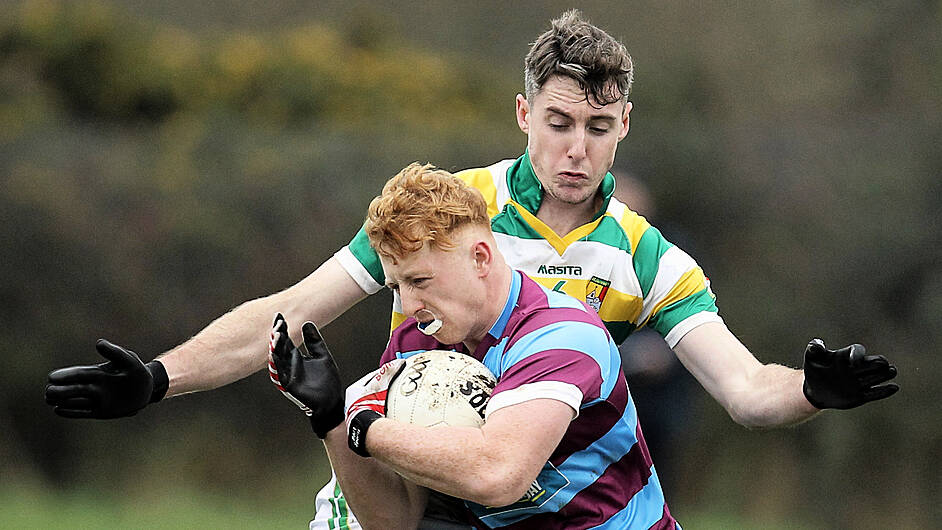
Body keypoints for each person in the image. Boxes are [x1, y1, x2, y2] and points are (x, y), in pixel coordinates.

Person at [45, 9, 898, 528]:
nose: (576, 148)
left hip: (535, 502)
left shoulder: (644, 254)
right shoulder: (448, 213)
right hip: (406, 483)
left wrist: (811, 390)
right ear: (524, 112)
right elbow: (291, 310)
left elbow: (746, 391)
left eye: (598, 129)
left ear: (626, 125)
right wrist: (159, 379)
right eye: (559, 122)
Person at [268, 162, 678, 528]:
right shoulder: (413, 345)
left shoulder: (563, 335)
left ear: (481, 258)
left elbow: (498, 475)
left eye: (420, 281)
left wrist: (364, 428)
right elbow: (394, 521)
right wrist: (332, 421)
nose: (408, 306)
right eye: (396, 286)